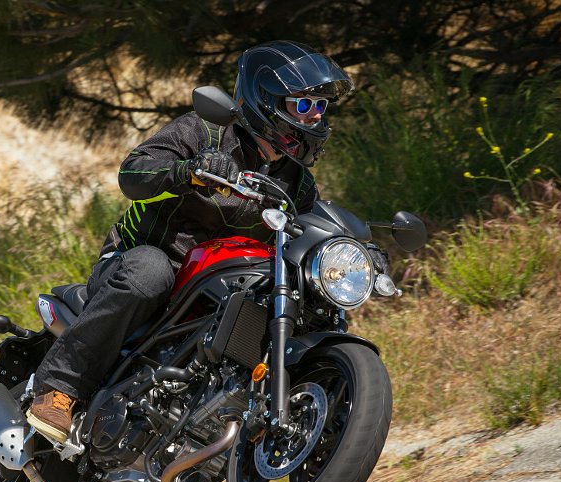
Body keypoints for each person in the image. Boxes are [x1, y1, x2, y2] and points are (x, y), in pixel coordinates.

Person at [27, 41, 356, 442]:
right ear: (267, 102)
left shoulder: (297, 183)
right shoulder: (203, 133)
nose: (317, 116)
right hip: (143, 258)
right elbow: (133, 174)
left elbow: (307, 228)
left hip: (217, 285)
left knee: (289, 297)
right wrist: (189, 170)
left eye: (322, 107)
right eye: (305, 106)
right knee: (150, 273)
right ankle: (59, 389)